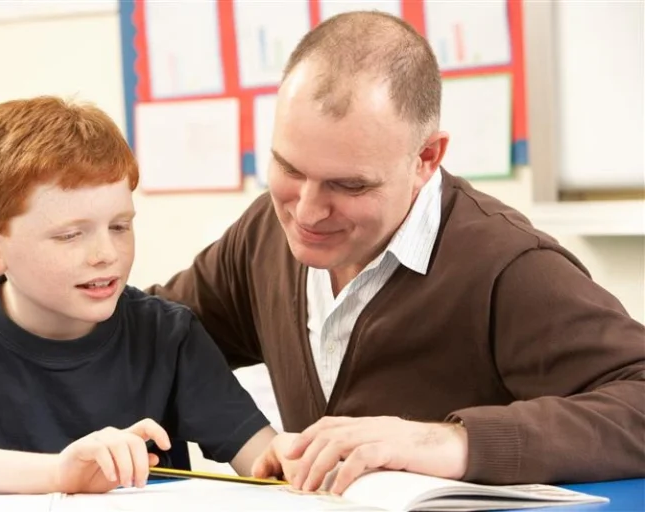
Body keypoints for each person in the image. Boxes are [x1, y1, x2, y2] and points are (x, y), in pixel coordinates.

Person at [148, 11, 645, 495]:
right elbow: (146, 339)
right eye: (289, 169)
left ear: (426, 158)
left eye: (349, 185)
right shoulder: (264, 233)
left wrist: (449, 441)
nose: (307, 212)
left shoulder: (507, 267)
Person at [0, 96, 284, 498]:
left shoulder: (168, 334)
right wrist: (60, 474)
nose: (106, 254)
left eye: (120, 226)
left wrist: (300, 456)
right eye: (71, 235)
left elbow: (265, 460)